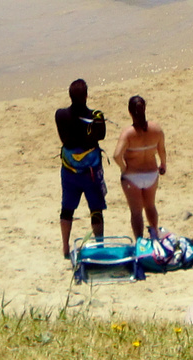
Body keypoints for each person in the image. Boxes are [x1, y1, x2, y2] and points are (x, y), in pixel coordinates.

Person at [56, 78, 107, 257]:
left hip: (70, 171)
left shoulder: (60, 115)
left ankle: (65, 247)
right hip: (91, 172)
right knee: (96, 209)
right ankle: (99, 245)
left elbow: (65, 139)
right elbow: (101, 135)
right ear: (86, 96)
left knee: (67, 209)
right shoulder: (96, 117)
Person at [113, 95, 167, 241]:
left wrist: (123, 168)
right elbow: (162, 150)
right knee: (150, 206)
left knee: (136, 212)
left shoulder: (128, 133)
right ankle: (155, 233)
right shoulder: (156, 129)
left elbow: (117, 155)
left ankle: (139, 241)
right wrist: (163, 164)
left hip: (132, 176)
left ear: (130, 112)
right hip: (151, 174)